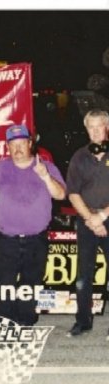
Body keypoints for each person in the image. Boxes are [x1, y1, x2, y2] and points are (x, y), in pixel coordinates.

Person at [0, 124, 66, 326]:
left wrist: (45, 176)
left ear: (30, 143)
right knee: (4, 285)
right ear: (7, 147)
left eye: (21, 143)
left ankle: (25, 324)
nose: (17, 149)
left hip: (36, 238)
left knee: (30, 284)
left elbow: (60, 194)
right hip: (7, 239)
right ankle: (6, 325)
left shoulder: (47, 167)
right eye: (13, 145)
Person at [65, 109, 109, 337]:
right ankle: (83, 321)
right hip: (86, 222)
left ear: (106, 127)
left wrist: (102, 216)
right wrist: (91, 219)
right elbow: (72, 193)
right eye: (90, 127)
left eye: (98, 126)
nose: (94, 131)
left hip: (107, 218)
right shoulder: (79, 157)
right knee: (83, 274)